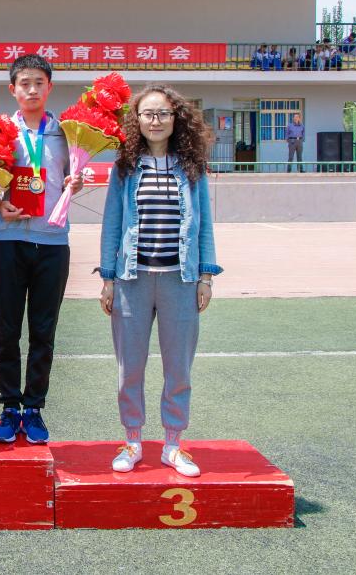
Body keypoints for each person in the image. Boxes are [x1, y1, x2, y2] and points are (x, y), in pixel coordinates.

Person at [99, 85, 221, 478]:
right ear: (136, 121)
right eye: (148, 114)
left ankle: (172, 444)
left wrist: (205, 276)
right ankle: (132, 441)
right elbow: (112, 224)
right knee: (129, 368)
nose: (155, 121)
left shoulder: (192, 168)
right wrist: (108, 278)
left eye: (163, 113)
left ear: (176, 119)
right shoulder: (125, 168)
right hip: (132, 280)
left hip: (180, 281)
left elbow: (205, 226)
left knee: (178, 368)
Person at [0, 53, 81, 445]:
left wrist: (76, 182)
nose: (32, 90)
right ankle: (10, 407)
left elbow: (72, 176)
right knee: (7, 330)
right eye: (24, 83)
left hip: (53, 243)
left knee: (43, 331)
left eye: (39, 83)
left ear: (49, 87)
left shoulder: (69, 134)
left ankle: (35, 408)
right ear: (13, 89)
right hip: (8, 241)